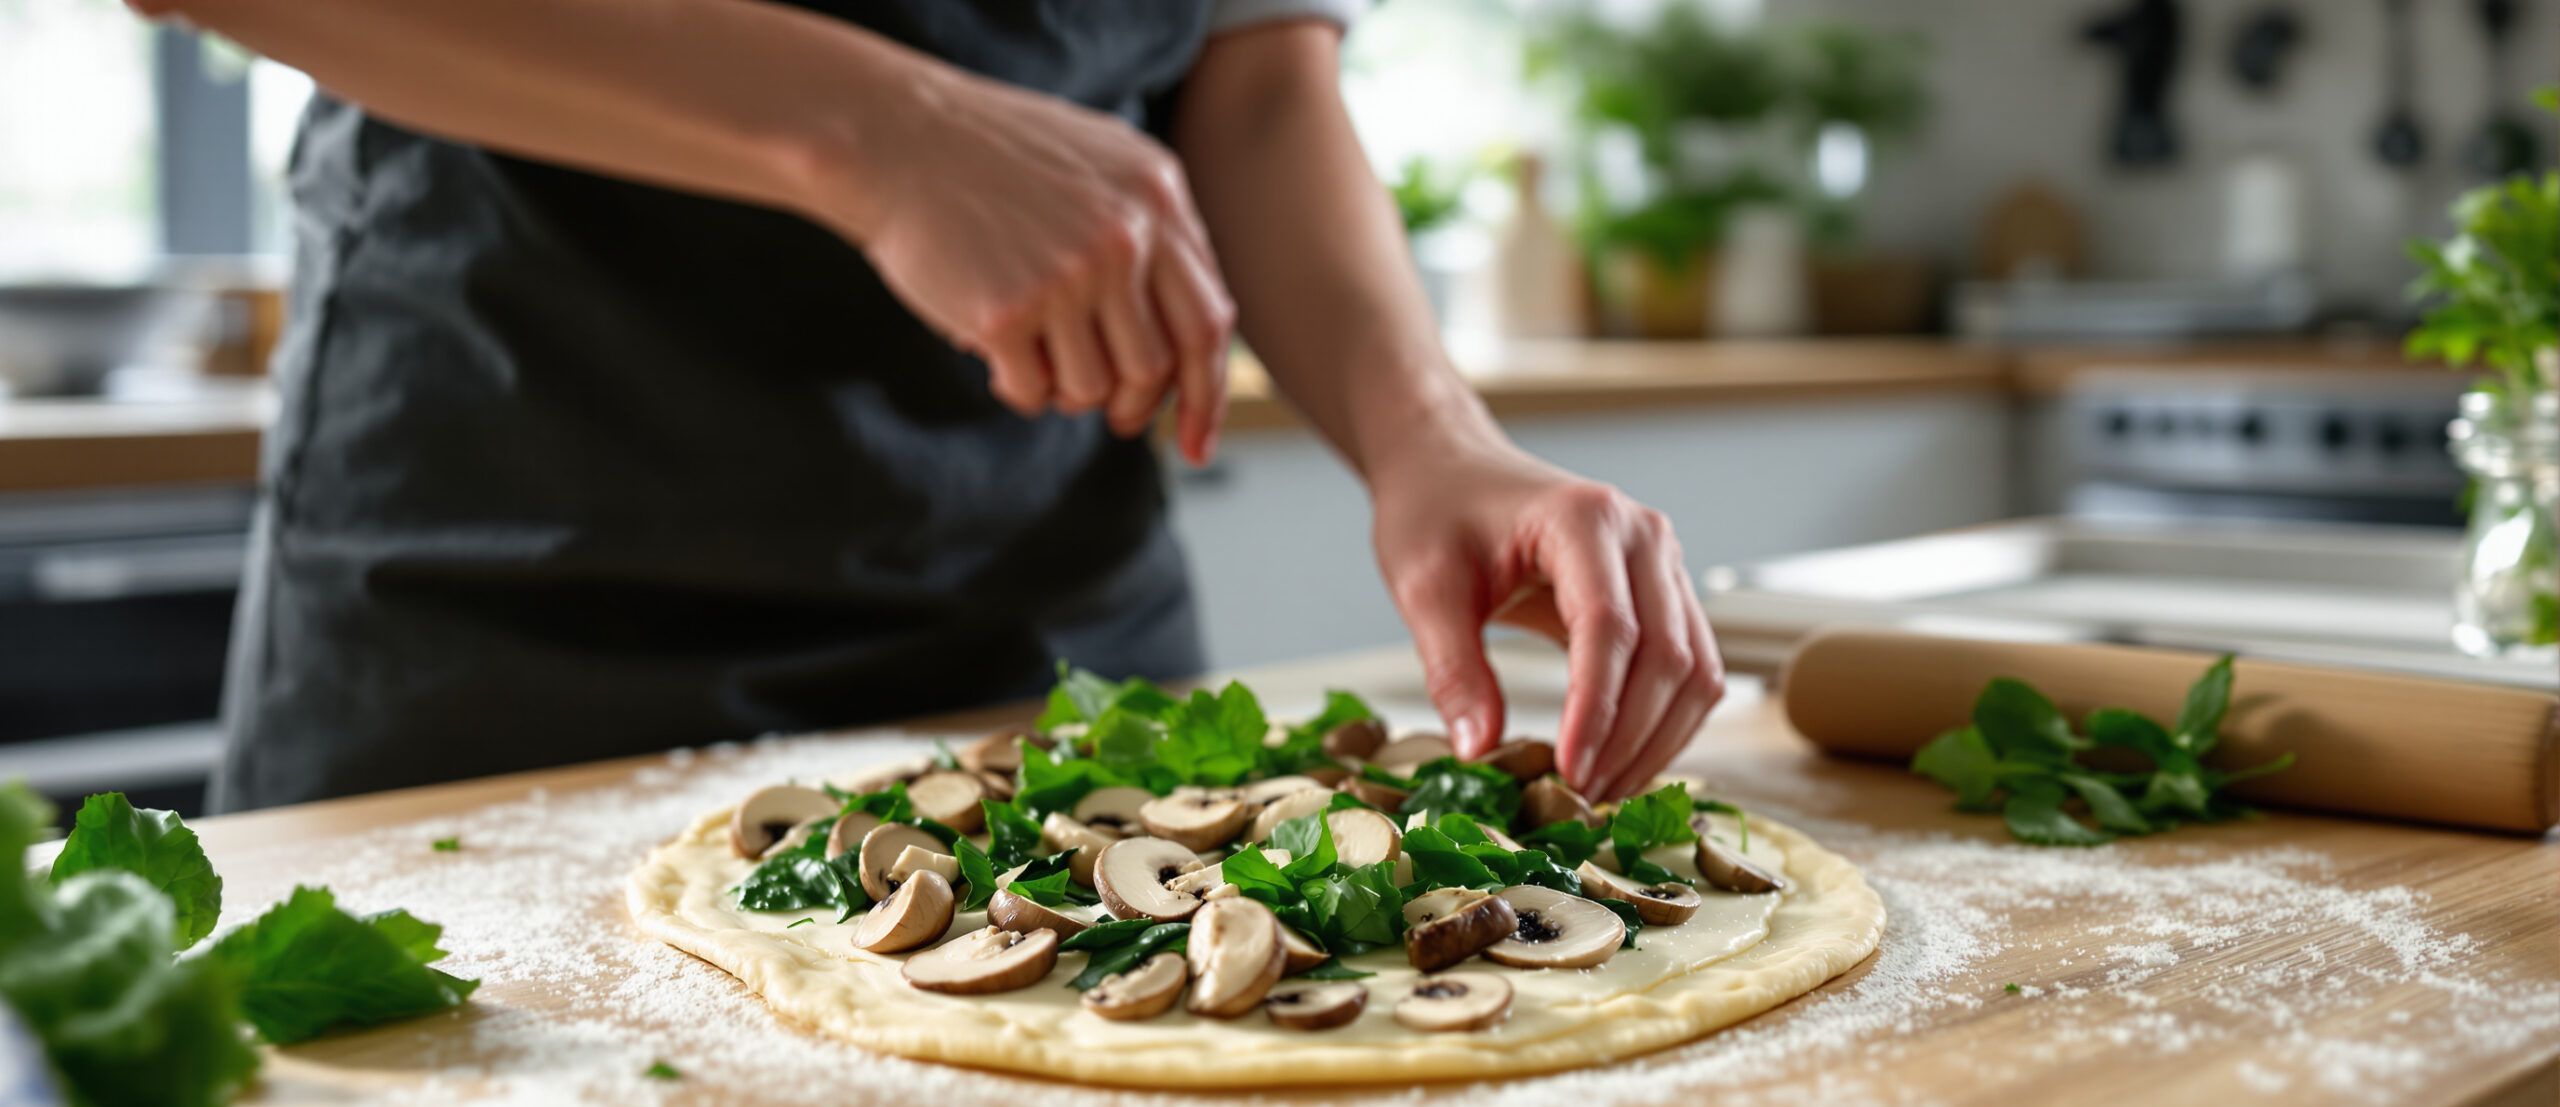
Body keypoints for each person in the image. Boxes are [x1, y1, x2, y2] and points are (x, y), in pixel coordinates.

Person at [144, 0, 1726, 812]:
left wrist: (1429, 435)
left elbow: (1257, 78)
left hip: (1041, 641)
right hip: (499, 603)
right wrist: (879, 130)